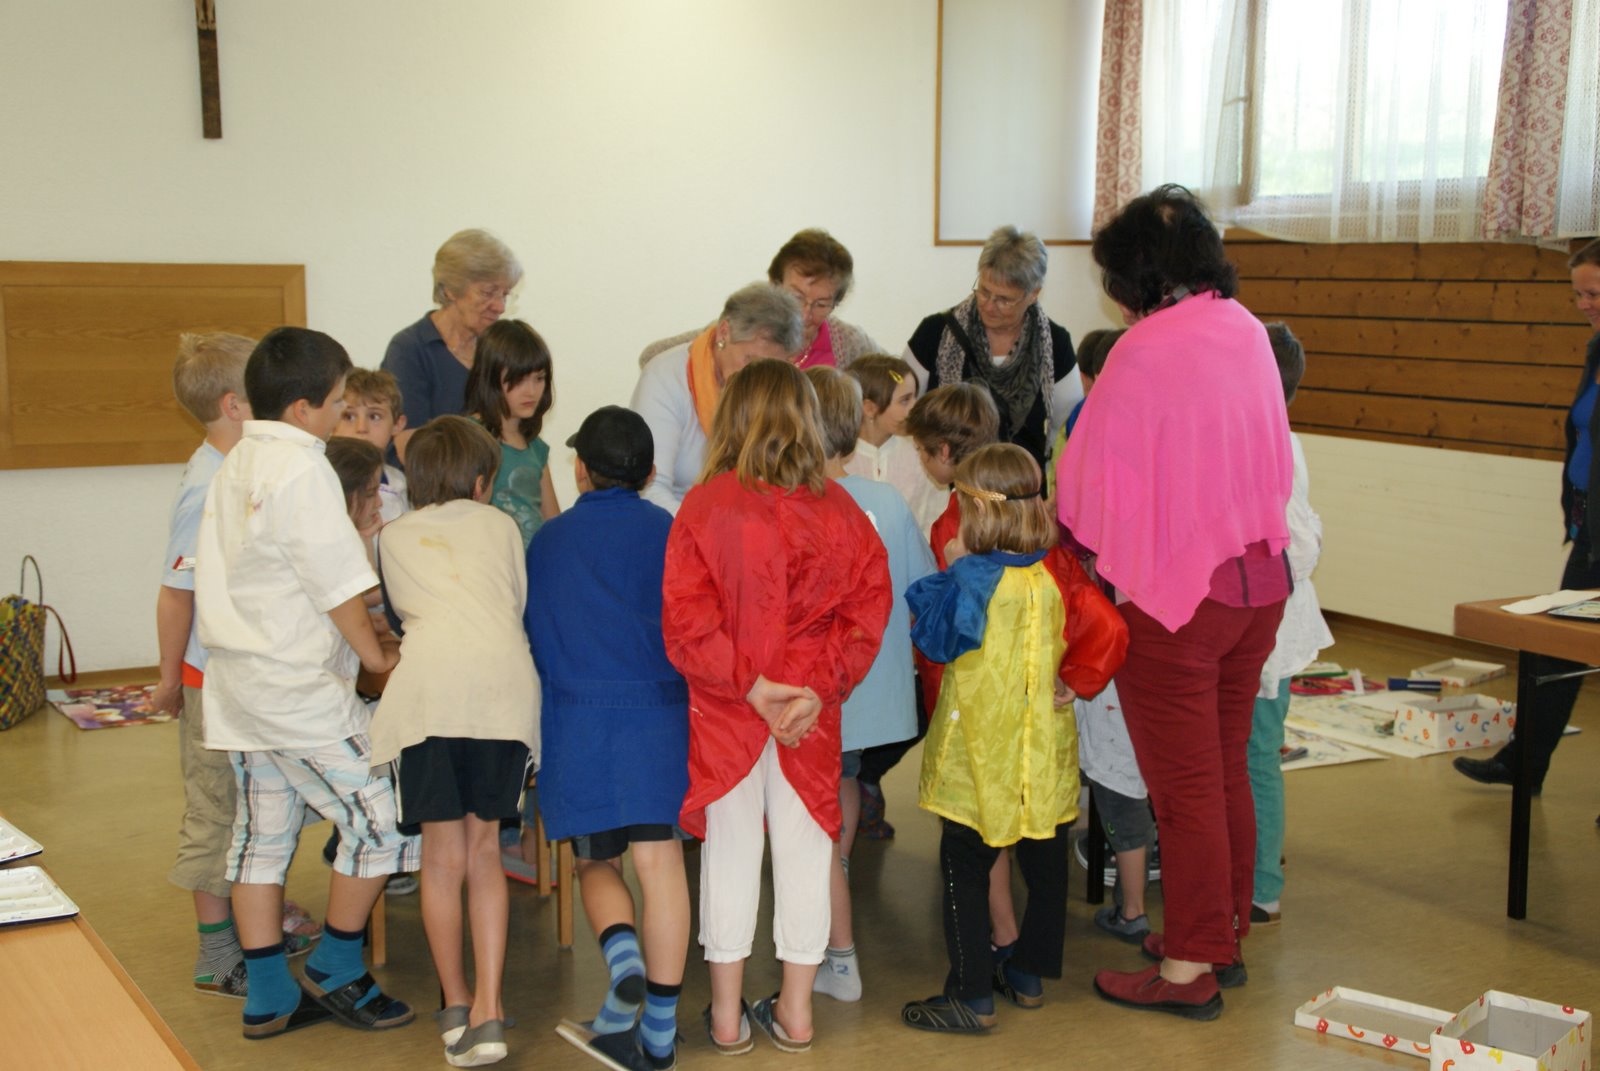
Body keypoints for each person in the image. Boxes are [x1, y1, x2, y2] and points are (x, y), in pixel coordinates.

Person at [1058, 185, 1293, 1021]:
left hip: (1180, 602)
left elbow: (1083, 488)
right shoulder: (1247, 329)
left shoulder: (1142, 351)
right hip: (1258, 585)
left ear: (1138, 278)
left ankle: (1190, 965)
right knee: (1223, 769)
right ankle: (1220, 931)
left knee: (1183, 788)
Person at [661, 360, 891, 1056]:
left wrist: (751, 686)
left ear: (733, 417)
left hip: (731, 710)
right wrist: (819, 687)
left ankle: (727, 1018)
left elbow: (687, 620)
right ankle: (796, 1011)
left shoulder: (705, 507)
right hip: (808, 712)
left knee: (730, 855)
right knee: (806, 853)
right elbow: (867, 611)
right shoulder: (842, 510)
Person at [195, 326, 415, 1040]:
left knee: (261, 837)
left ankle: (268, 994)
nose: (343, 415)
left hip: (239, 688)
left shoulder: (234, 461)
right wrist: (378, 659)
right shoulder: (304, 468)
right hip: (297, 691)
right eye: (339, 403)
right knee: (385, 820)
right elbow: (337, 584)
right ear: (302, 408)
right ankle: (337, 966)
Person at [900, 444, 1127, 1033]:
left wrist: (952, 567)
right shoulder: (1059, 569)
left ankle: (971, 995)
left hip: (981, 756)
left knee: (964, 866)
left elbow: (935, 641)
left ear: (977, 510)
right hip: (1042, 756)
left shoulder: (973, 577)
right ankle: (1027, 973)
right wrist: (1076, 680)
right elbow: (1110, 627)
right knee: (1045, 859)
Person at [155, 332, 321, 1000]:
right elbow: (176, 592)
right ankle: (218, 952)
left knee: (255, 806)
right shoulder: (207, 483)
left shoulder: (243, 470)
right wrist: (170, 677)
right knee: (215, 812)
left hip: (243, 675)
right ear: (234, 405)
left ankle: (261, 919)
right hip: (208, 681)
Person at [369, 415, 539, 1067]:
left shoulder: (391, 535)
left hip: (427, 699)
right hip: (500, 695)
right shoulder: (500, 526)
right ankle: (492, 1010)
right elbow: (514, 604)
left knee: (440, 858)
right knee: (484, 851)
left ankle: (456, 1008)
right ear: (480, 481)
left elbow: (395, 612)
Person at [525, 406, 690, 1071]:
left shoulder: (549, 542)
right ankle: (659, 1034)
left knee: (596, 864)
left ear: (580, 470)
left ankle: (624, 963)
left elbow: (535, 633)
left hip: (582, 724)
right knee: (662, 864)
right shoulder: (671, 533)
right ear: (648, 474)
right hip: (660, 723)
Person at [805, 366, 937, 1004]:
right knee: (846, 781)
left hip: (814, 690)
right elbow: (920, 592)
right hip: (868, 688)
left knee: (816, 803)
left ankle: (836, 945)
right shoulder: (884, 502)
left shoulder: (796, 504)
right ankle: (838, 872)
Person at [1455, 238, 1600, 818]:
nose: (1585, 304)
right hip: (1590, 526)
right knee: (1556, 645)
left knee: (1564, 642)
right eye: (1578, 295)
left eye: (1594, 293)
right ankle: (1524, 763)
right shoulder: (1596, 348)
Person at [1051, 327, 1161, 943]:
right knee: (1140, 783)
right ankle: (1140, 898)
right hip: (1154, 642)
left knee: (1119, 789)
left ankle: (1132, 908)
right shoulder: (1162, 444)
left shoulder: (1097, 449)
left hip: (1114, 659)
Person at [854, 382, 1000, 841]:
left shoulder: (953, 524)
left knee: (966, 822)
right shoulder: (1012, 499)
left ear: (943, 451)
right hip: (1012, 684)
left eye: (920, 450)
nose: (918, 459)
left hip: (966, 685)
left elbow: (942, 620)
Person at [1246, 323, 1333, 927]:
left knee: (1257, 754)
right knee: (1249, 753)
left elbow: (1300, 545)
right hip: (1265, 615)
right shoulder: (1273, 435)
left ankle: (1262, 885)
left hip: (1270, 623)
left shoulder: (1273, 441)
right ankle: (1254, 867)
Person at [903, 226, 1079, 472]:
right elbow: (904, 410)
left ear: (1033, 294)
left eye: (1004, 299)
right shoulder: (934, 333)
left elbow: (1067, 424)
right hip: (946, 485)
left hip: (1021, 485)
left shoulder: (1055, 344)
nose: (989, 305)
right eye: (984, 291)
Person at [629, 283, 803, 514]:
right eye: (751, 361)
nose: (759, 379)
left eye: (770, 369)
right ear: (724, 333)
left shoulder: (780, 387)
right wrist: (711, 530)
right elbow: (651, 490)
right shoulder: (664, 377)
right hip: (679, 520)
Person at [639, 228, 880, 370]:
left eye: (821, 304)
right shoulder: (740, 329)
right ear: (774, 284)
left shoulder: (849, 343)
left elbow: (894, 378)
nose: (805, 314)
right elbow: (652, 357)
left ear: (836, 303)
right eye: (796, 297)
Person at [382, 228, 522, 461]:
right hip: (429, 481)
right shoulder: (410, 349)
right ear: (450, 290)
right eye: (488, 293)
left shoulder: (495, 348)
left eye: (504, 295)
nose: (500, 307)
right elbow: (410, 446)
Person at [463, 319, 560, 548]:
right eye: (519, 380)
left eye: (539, 378)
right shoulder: (468, 437)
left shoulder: (535, 447)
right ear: (490, 378)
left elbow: (553, 524)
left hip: (532, 563)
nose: (531, 391)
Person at [843, 354, 948, 537]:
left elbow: (936, 519)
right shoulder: (841, 458)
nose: (915, 408)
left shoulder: (922, 454)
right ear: (869, 408)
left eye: (915, 397)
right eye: (905, 400)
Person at [333, 368, 411, 523]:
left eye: (374, 416)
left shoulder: (400, 482)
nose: (361, 428)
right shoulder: (322, 478)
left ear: (397, 424)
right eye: (349, 416)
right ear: (331, 421)